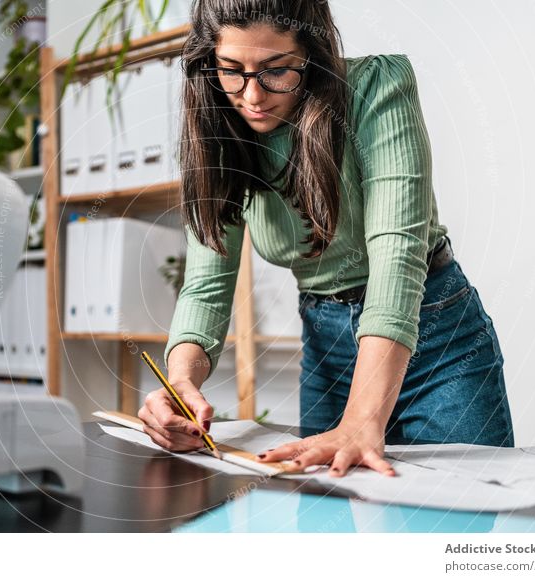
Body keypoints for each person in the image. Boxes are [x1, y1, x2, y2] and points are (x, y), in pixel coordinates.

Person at [138, 0, 515, 477]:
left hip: (433, 337)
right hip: (326, 346)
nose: (252, 96)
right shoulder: (220, 128)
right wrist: (180, 387)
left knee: (457, 526)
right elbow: (206, 288)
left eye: (275, 71)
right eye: (231, 71)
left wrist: (362, 418)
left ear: (311, 55)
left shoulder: (375, 88)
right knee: (334, 528)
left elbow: (396, 257)